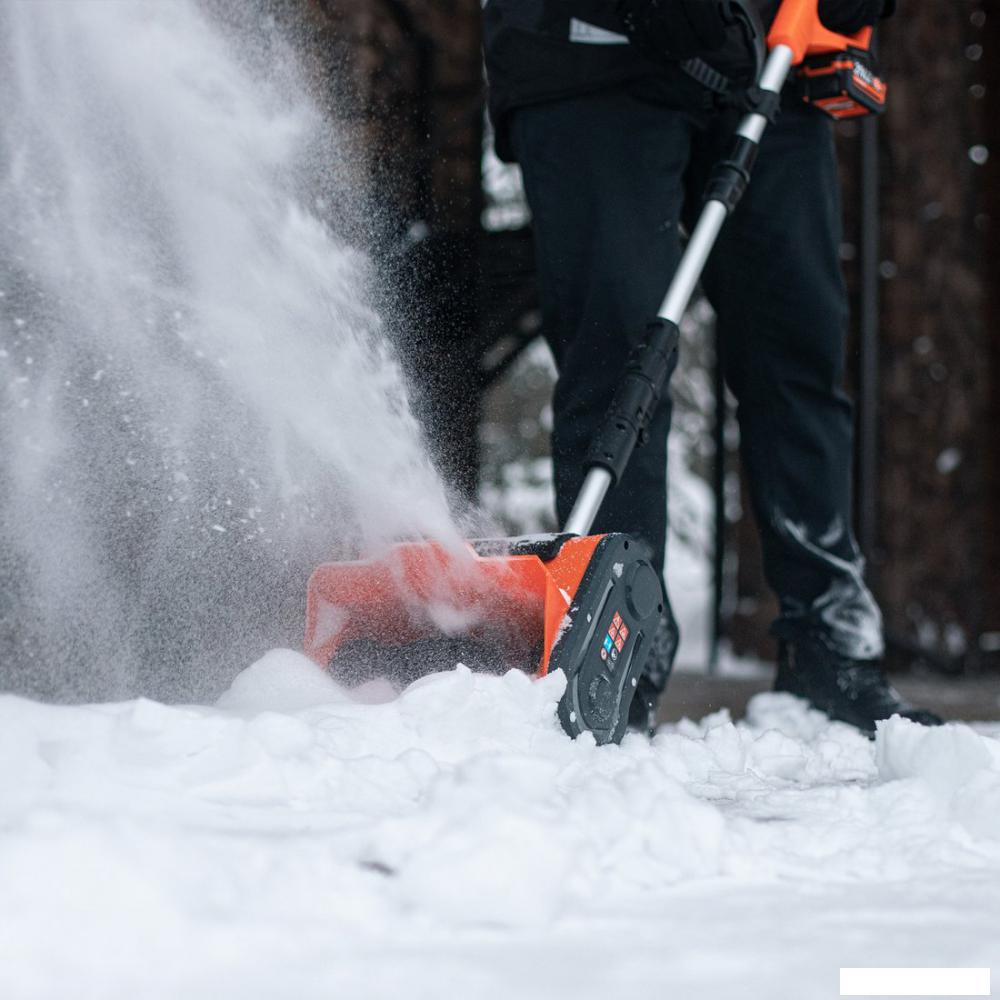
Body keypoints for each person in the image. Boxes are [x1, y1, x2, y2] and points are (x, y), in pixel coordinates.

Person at [482, 0, 943, 735]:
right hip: (591, 56)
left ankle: (828, 640)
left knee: (798, 345)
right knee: (617, 350)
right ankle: (618, 647)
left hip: (769, 58)